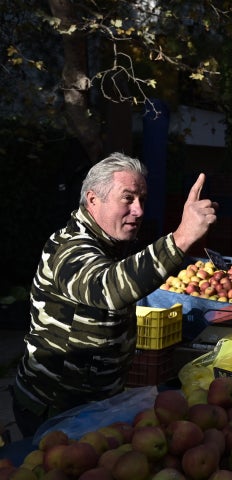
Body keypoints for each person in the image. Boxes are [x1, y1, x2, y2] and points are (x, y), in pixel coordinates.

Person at [12, 152, 217, 438]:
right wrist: (181, 238)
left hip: (93, 405)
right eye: (128, 198)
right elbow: (107, 287)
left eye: (142, 200)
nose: (139, 210)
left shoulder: (108, 245)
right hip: (55, 410)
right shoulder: (70, 248)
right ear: (93, 199)